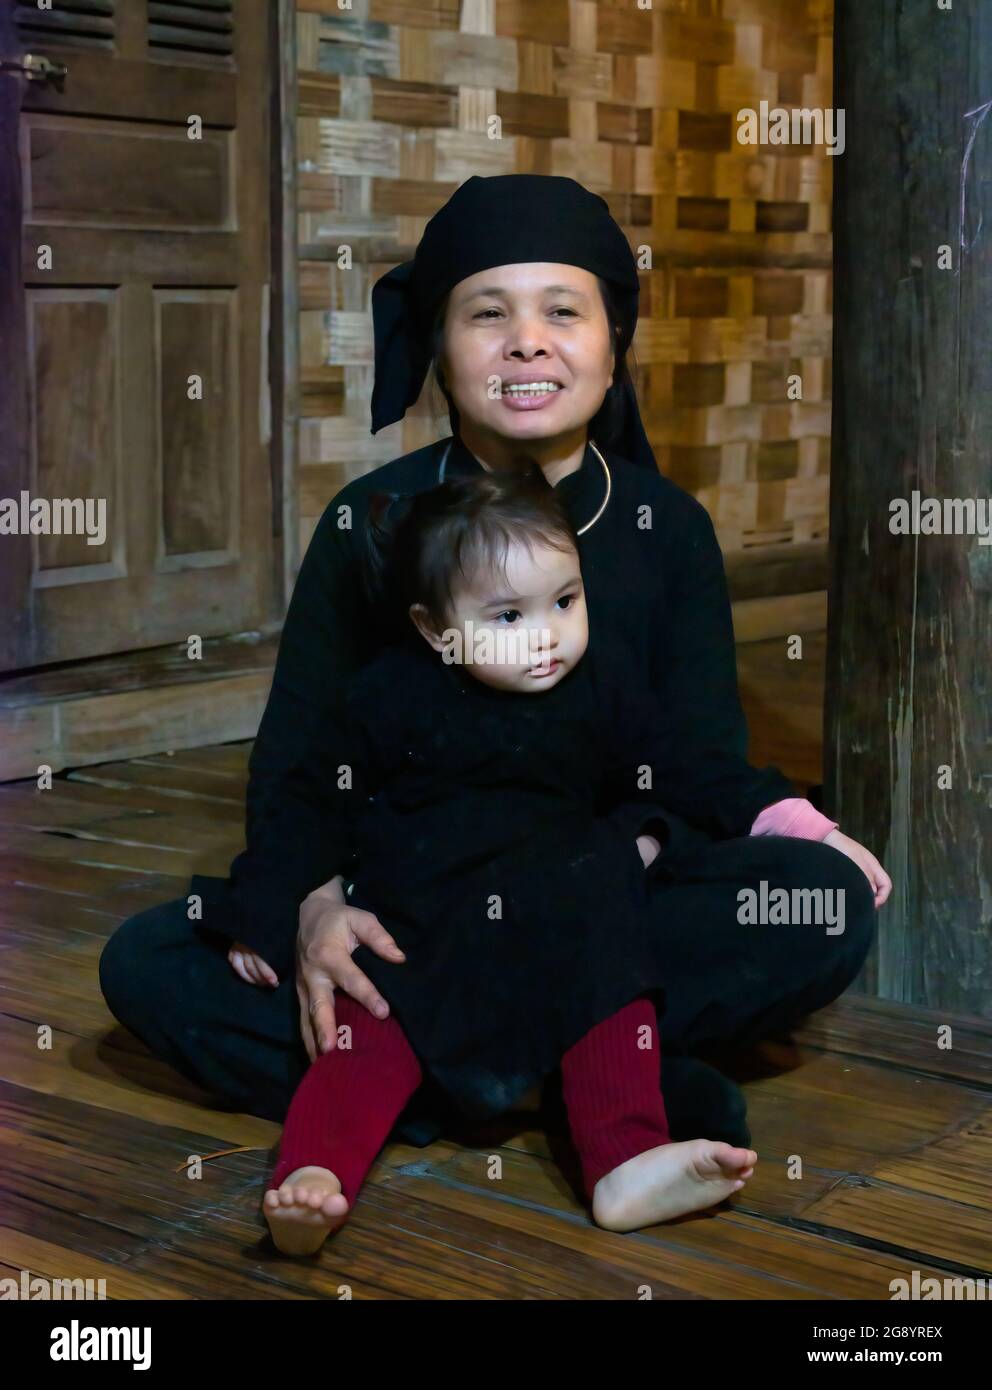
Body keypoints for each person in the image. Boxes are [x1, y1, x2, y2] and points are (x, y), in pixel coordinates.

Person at [99, 175, 890, 1224]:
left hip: (590, 903)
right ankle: (582, 1086)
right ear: (437, 344)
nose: (526, 343)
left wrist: (777, 827)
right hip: (415, 911)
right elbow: (300, 764)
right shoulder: (369, 523)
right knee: (149, 959)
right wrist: (310, 903)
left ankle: (427, 1086)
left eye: (562, 311)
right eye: (487, 313)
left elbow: (692, 761)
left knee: (813, 905)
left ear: (612, 344)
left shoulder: (669, 529)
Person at [263, 464, 764, 1252]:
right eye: (506, 617)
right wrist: (282, 909)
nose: (548, 637)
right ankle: (315, 1176)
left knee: (615, 990)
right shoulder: (388, 695)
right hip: (420, 923)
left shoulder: (600, 687)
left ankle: (623, 1159)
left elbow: (677, 770)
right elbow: (310, 802)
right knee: (363, 1023)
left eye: (565, 602)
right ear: (434, 629)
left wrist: (668, 836)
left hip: (564, 917)